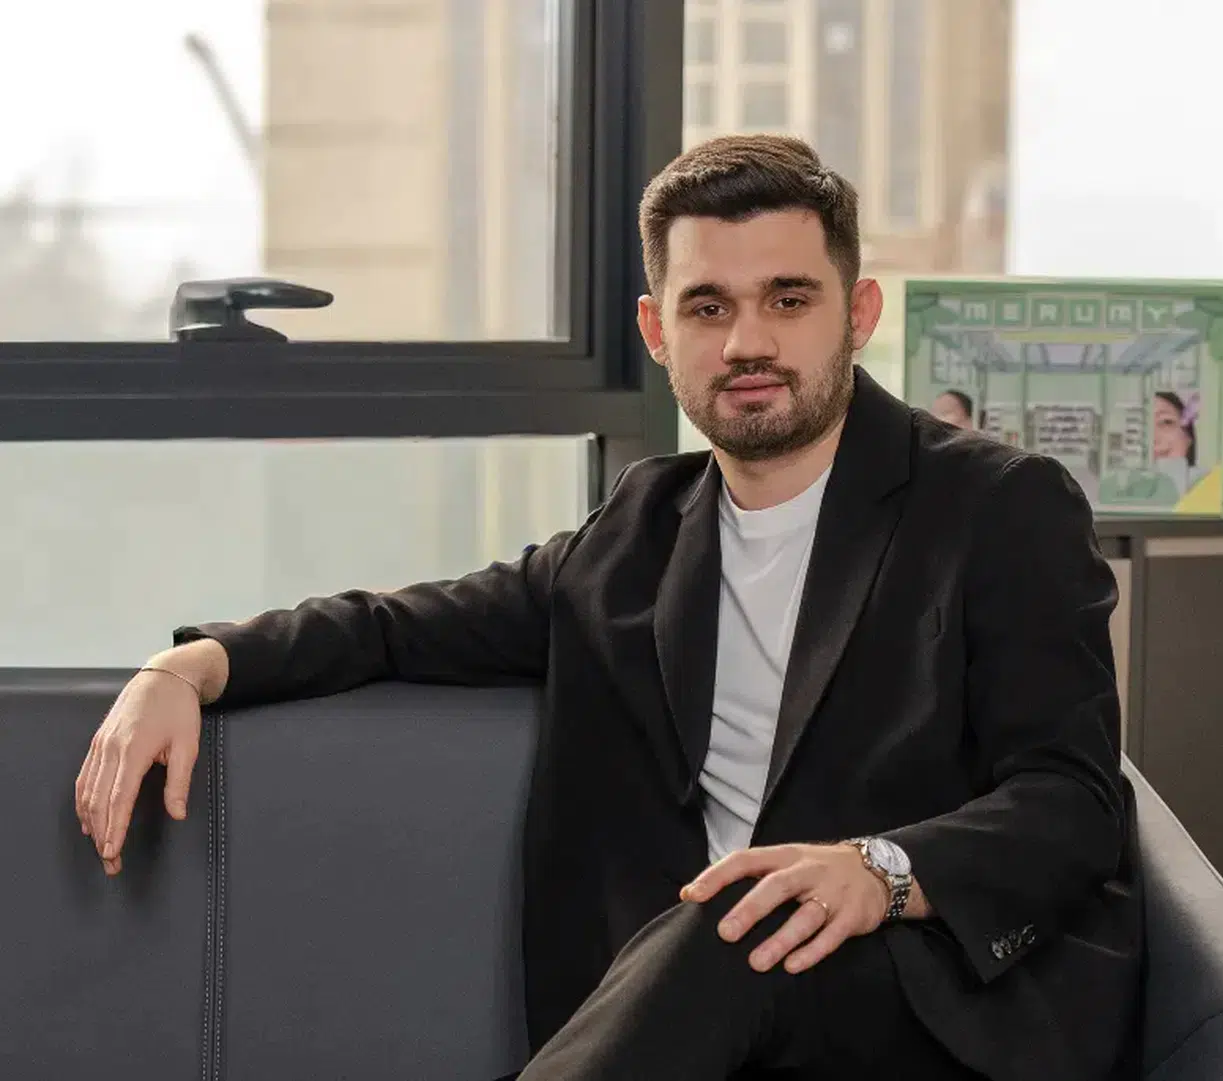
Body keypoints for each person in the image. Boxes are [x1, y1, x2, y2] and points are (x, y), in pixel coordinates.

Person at [74, 135, 1142, 1081]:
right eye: (708, 307)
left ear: (856, 313)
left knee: (727, 923)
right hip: (700, 1021)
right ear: (655, 330)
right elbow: (398, 623)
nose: (747, 343)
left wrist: (877, 871)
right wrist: (189, 667)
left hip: (926, 1001)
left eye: (788, 299)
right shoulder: (638, 531)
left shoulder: (997, 506)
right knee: (718, 926)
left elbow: (1073, 798)